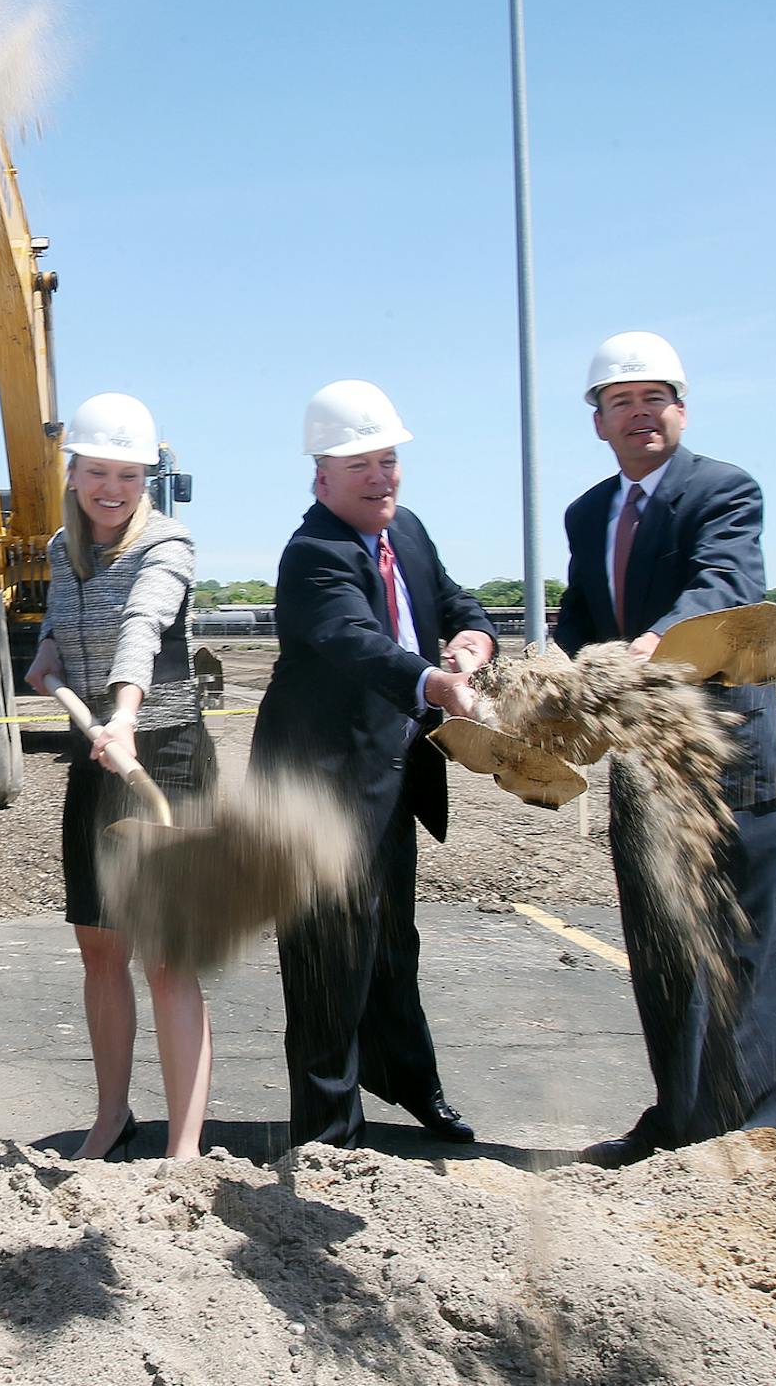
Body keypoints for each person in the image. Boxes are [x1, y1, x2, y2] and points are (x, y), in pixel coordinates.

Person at [553, 331, 776, 1169]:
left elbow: (725, 585)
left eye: (653, 397)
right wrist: (545, 674)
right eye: (619, 402)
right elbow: (583, 618)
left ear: (680, 409)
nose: (638, 413)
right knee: (663, 952)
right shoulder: (589, 513)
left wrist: (653, 643)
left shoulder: (724, 491)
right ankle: (680, 1122)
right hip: (646, 761)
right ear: (599, 423)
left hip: (727, 757)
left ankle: (754, 1141)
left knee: (737, 952)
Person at [249, 381, 493, 1150]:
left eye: (389, 460)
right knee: (326, 956)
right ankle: (326, 1136)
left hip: (391, 778)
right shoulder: (314, 552)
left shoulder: (407, 531)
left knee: (390, 943)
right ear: (321, 476)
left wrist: (473, 643)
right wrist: (435, 682)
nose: (382, 477)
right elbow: (358, 640)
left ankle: (409, 1083)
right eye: (362, 465)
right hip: (317, 790)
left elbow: (457, 603)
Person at [22, 393, 215, 1160]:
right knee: (100, 946)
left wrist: (126, 713)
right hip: (96, 752)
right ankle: (111, 1114)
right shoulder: (59, 547)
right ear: (73, 472)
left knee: (168, 956)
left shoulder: (168, 544)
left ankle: (186, 1147)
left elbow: (142, 624)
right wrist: (45, 652)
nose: (112, 489)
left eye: (128, 475)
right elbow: (59, 619)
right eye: (98, 472)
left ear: (148, 477)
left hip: (162, 755)